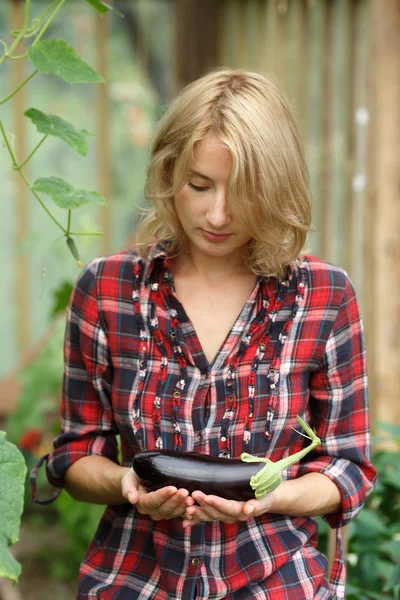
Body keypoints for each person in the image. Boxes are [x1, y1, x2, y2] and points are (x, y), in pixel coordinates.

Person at [31, 69, 377, 600]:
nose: (217, 213)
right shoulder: (106, 290)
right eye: (199, 185)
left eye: (241, 191)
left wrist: (272, 497)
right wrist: (126, 484)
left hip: (277, 581)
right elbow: (77, 452)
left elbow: (347, 468)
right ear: (170, 173)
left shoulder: (325, 296)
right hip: (135, 579)